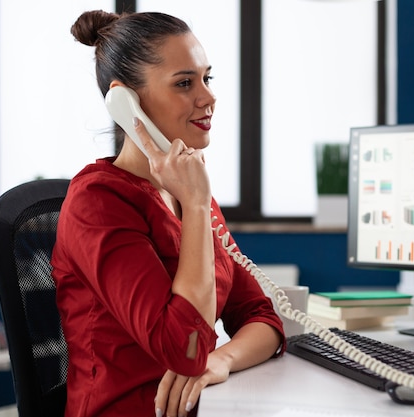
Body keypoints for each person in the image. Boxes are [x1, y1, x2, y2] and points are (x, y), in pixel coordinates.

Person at [51, 9, 286, 417]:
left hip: (202, 407)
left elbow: (262, 319)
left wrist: (222, 360)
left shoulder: (188, 195)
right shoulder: (98, 202)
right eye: (184, 83)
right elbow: (182, 349)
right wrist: (195, 205)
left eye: (206, 79)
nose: (208, 97)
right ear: (125, 101)